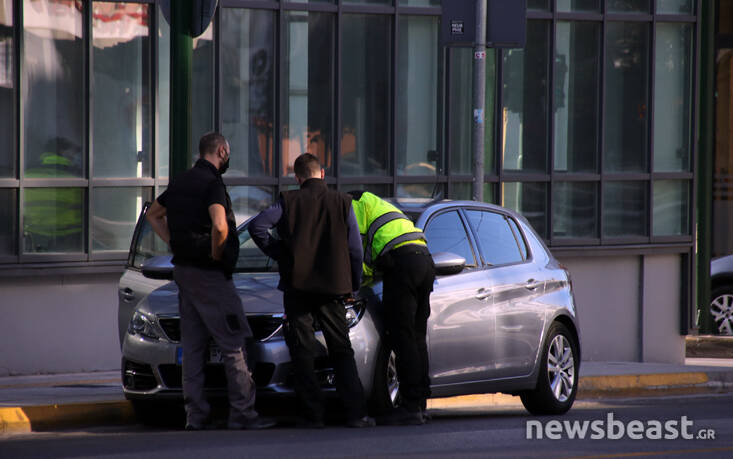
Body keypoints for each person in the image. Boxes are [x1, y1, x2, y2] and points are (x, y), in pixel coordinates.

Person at [146, 132, 275, 431]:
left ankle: (196, 415)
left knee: (192, 348)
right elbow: (219, 225)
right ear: (220, 150)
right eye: (227, 153)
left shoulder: (179, 182)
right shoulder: (212, 183)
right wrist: (217, 253)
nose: (228, 157)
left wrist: (175, 243)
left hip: (185, 274)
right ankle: (243, 413)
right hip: (210, 275)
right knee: (235, 343)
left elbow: (153, 214)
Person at [248, 153, 374, 429]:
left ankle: (312, 415)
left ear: (297, 177)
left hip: (298, 286)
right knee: (341, 349)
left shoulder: (289, 201)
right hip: (334, 287)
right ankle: (356, 414)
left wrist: (281, 252)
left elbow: (258, 226)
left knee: (302, 350)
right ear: (322, 173)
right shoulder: (342, 202)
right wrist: (353, 284)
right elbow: (355, 248)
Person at [347, 190, 436, 425]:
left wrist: (354, 286)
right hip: (425, 259)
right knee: (416, 336)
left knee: (401, 336)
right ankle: (420, 404)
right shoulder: (378, 205)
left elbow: (358, 252)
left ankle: (409, 407)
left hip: (403, 263)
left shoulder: (353, 207)